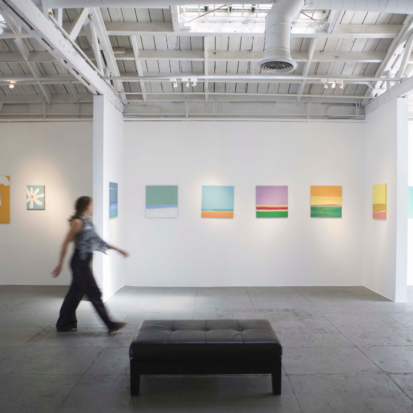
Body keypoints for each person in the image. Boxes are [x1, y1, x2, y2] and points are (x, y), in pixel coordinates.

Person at [52, 196, 128, 333]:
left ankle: (65, 324)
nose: (93, 207)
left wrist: (117, 249)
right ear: (86, 206)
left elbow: (98, 240)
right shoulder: (77, 222)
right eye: (91, 205)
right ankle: (110, 324)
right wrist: (60, 264)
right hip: (79, 262)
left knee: (74, 294)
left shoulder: (87, 222)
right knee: (94, 293)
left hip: (84, 262)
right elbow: (65, 242)